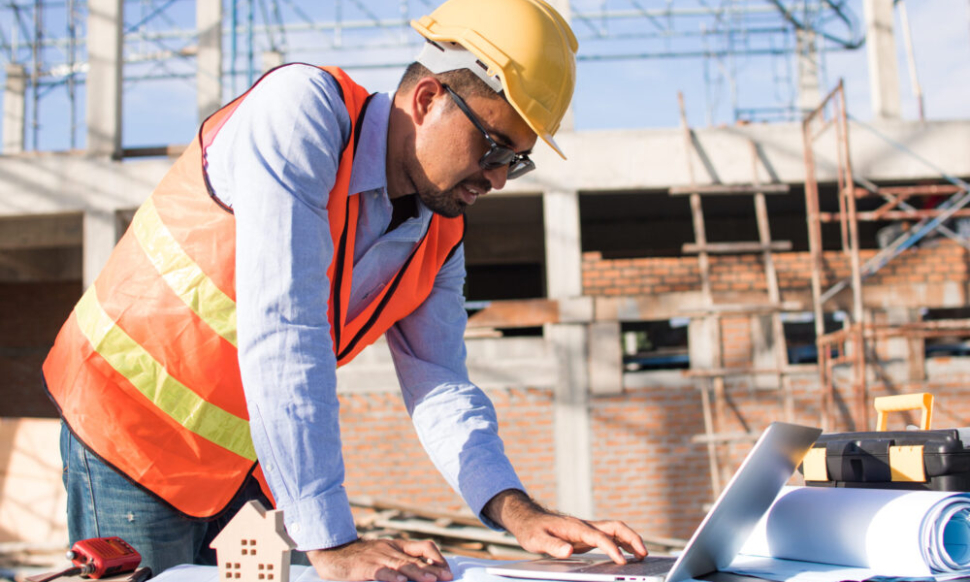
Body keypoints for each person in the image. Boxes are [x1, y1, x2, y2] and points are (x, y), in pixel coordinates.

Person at [43, 0, 648, 579]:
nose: (497, 179)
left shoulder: (439, 234)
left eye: (516, 162)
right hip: (127, 430)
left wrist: (521, 513)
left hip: (242, 466)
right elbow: (285, 328)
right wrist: (333, 543)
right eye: (494, 148)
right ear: (428, 98)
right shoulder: (299, 114)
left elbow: (440, 387)